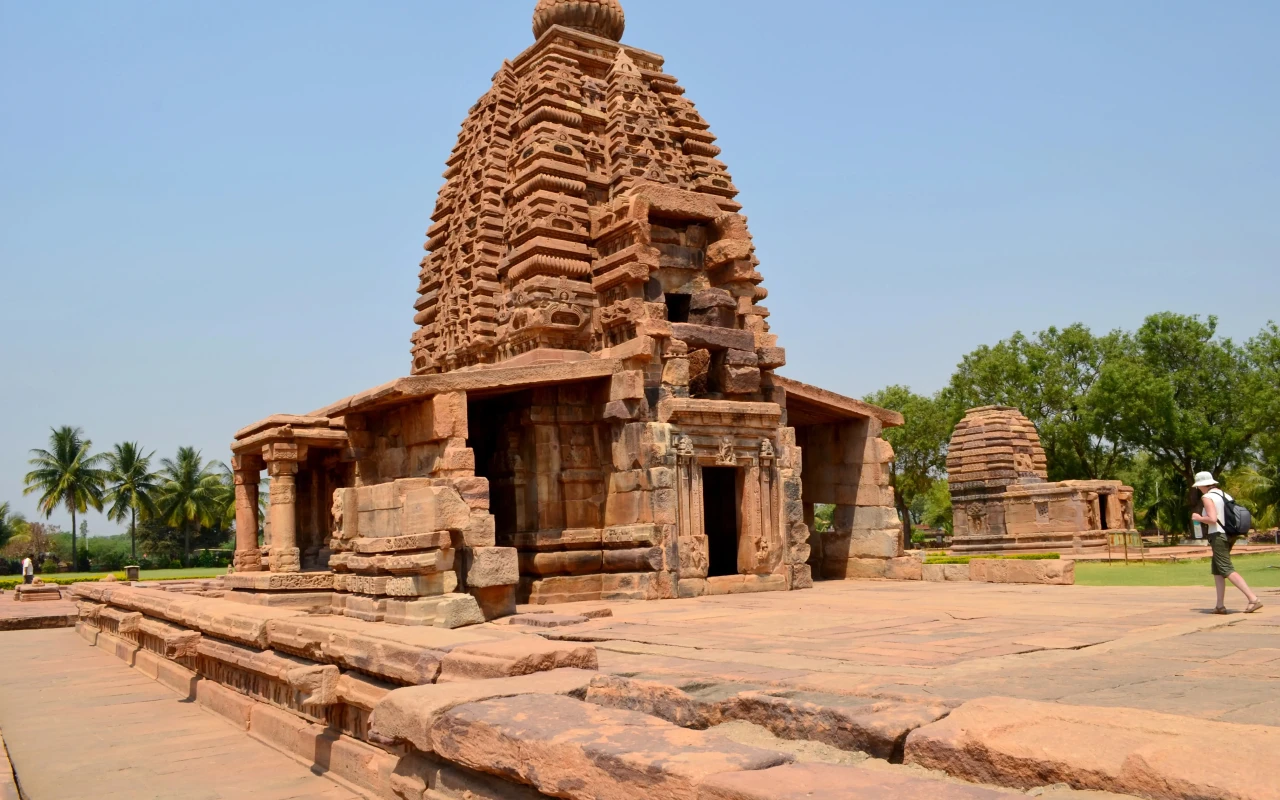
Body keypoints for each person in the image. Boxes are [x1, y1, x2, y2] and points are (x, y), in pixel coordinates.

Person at [1191, 472, 1263, 614]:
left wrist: (1198, 517)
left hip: (1218, 535)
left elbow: (1212, 519)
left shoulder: (1207, 497)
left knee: (1225, 568)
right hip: (1230, 534)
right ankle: (1219, 605)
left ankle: (1253, 598)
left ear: (1201, 485)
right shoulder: (1225, 495)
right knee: (1218, 569)